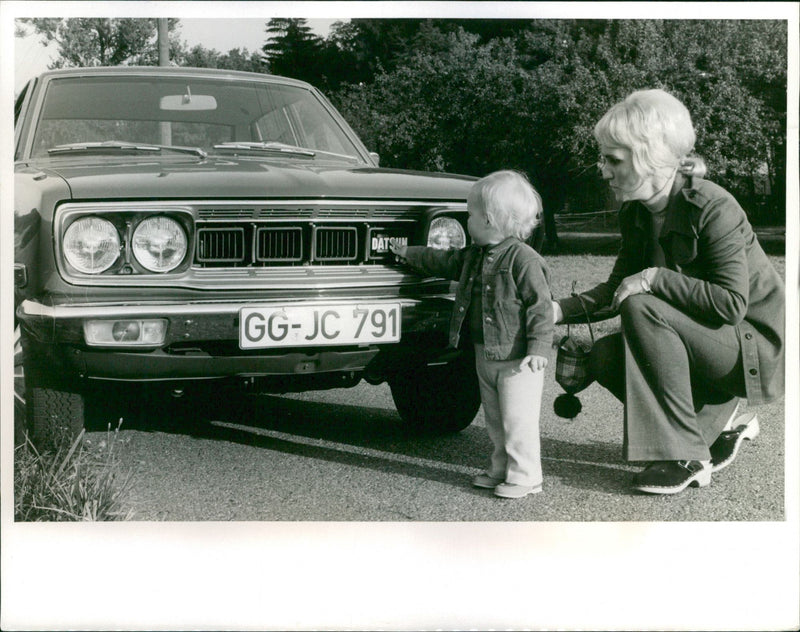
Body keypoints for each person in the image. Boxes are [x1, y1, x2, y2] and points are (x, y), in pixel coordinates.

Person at [552, 89, 784, 495]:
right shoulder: (636, 212)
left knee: (642, 306)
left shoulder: (714, 206)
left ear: (650, 157)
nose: (604, 171)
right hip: (707, 342)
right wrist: (555, 311)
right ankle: (712, 422)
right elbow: (616, 288)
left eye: (613, 159)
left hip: (751, 350)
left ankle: (685, 454)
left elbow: (730, 305)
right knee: (605, 357)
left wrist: (655, 278)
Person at [391, 170, 554, 499]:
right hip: (484, 352)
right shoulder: (472, 257)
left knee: (517, 419)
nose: (467, 221)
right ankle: (500, 468)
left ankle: (527, 475)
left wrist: (538, 348)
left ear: (490, 220)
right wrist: (408, 253)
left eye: (470, 215)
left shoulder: (524, 260)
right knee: (495, 418)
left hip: (518, 358)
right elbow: (441, 260)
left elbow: (541, 307)